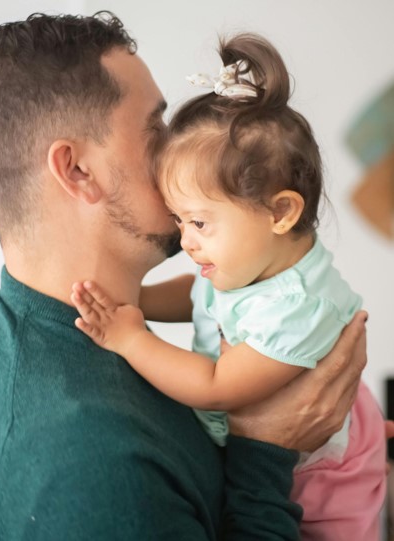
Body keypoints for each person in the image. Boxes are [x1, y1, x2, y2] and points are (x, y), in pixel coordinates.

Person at [0, 12, 368, 541]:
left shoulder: (17, 322)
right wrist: (267, 450)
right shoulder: (89, 469)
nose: (180, 152)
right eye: (156, 130)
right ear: (77, 170)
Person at [71, 32, 386, 539]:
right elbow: (199, 297)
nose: (185, 241)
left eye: (198, 223)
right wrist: (141, 301)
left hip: (328, 471)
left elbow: (216, 388)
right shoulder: (245, 264)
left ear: (281, 212)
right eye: (178, 219)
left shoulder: (295, 309)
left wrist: (131, 338)